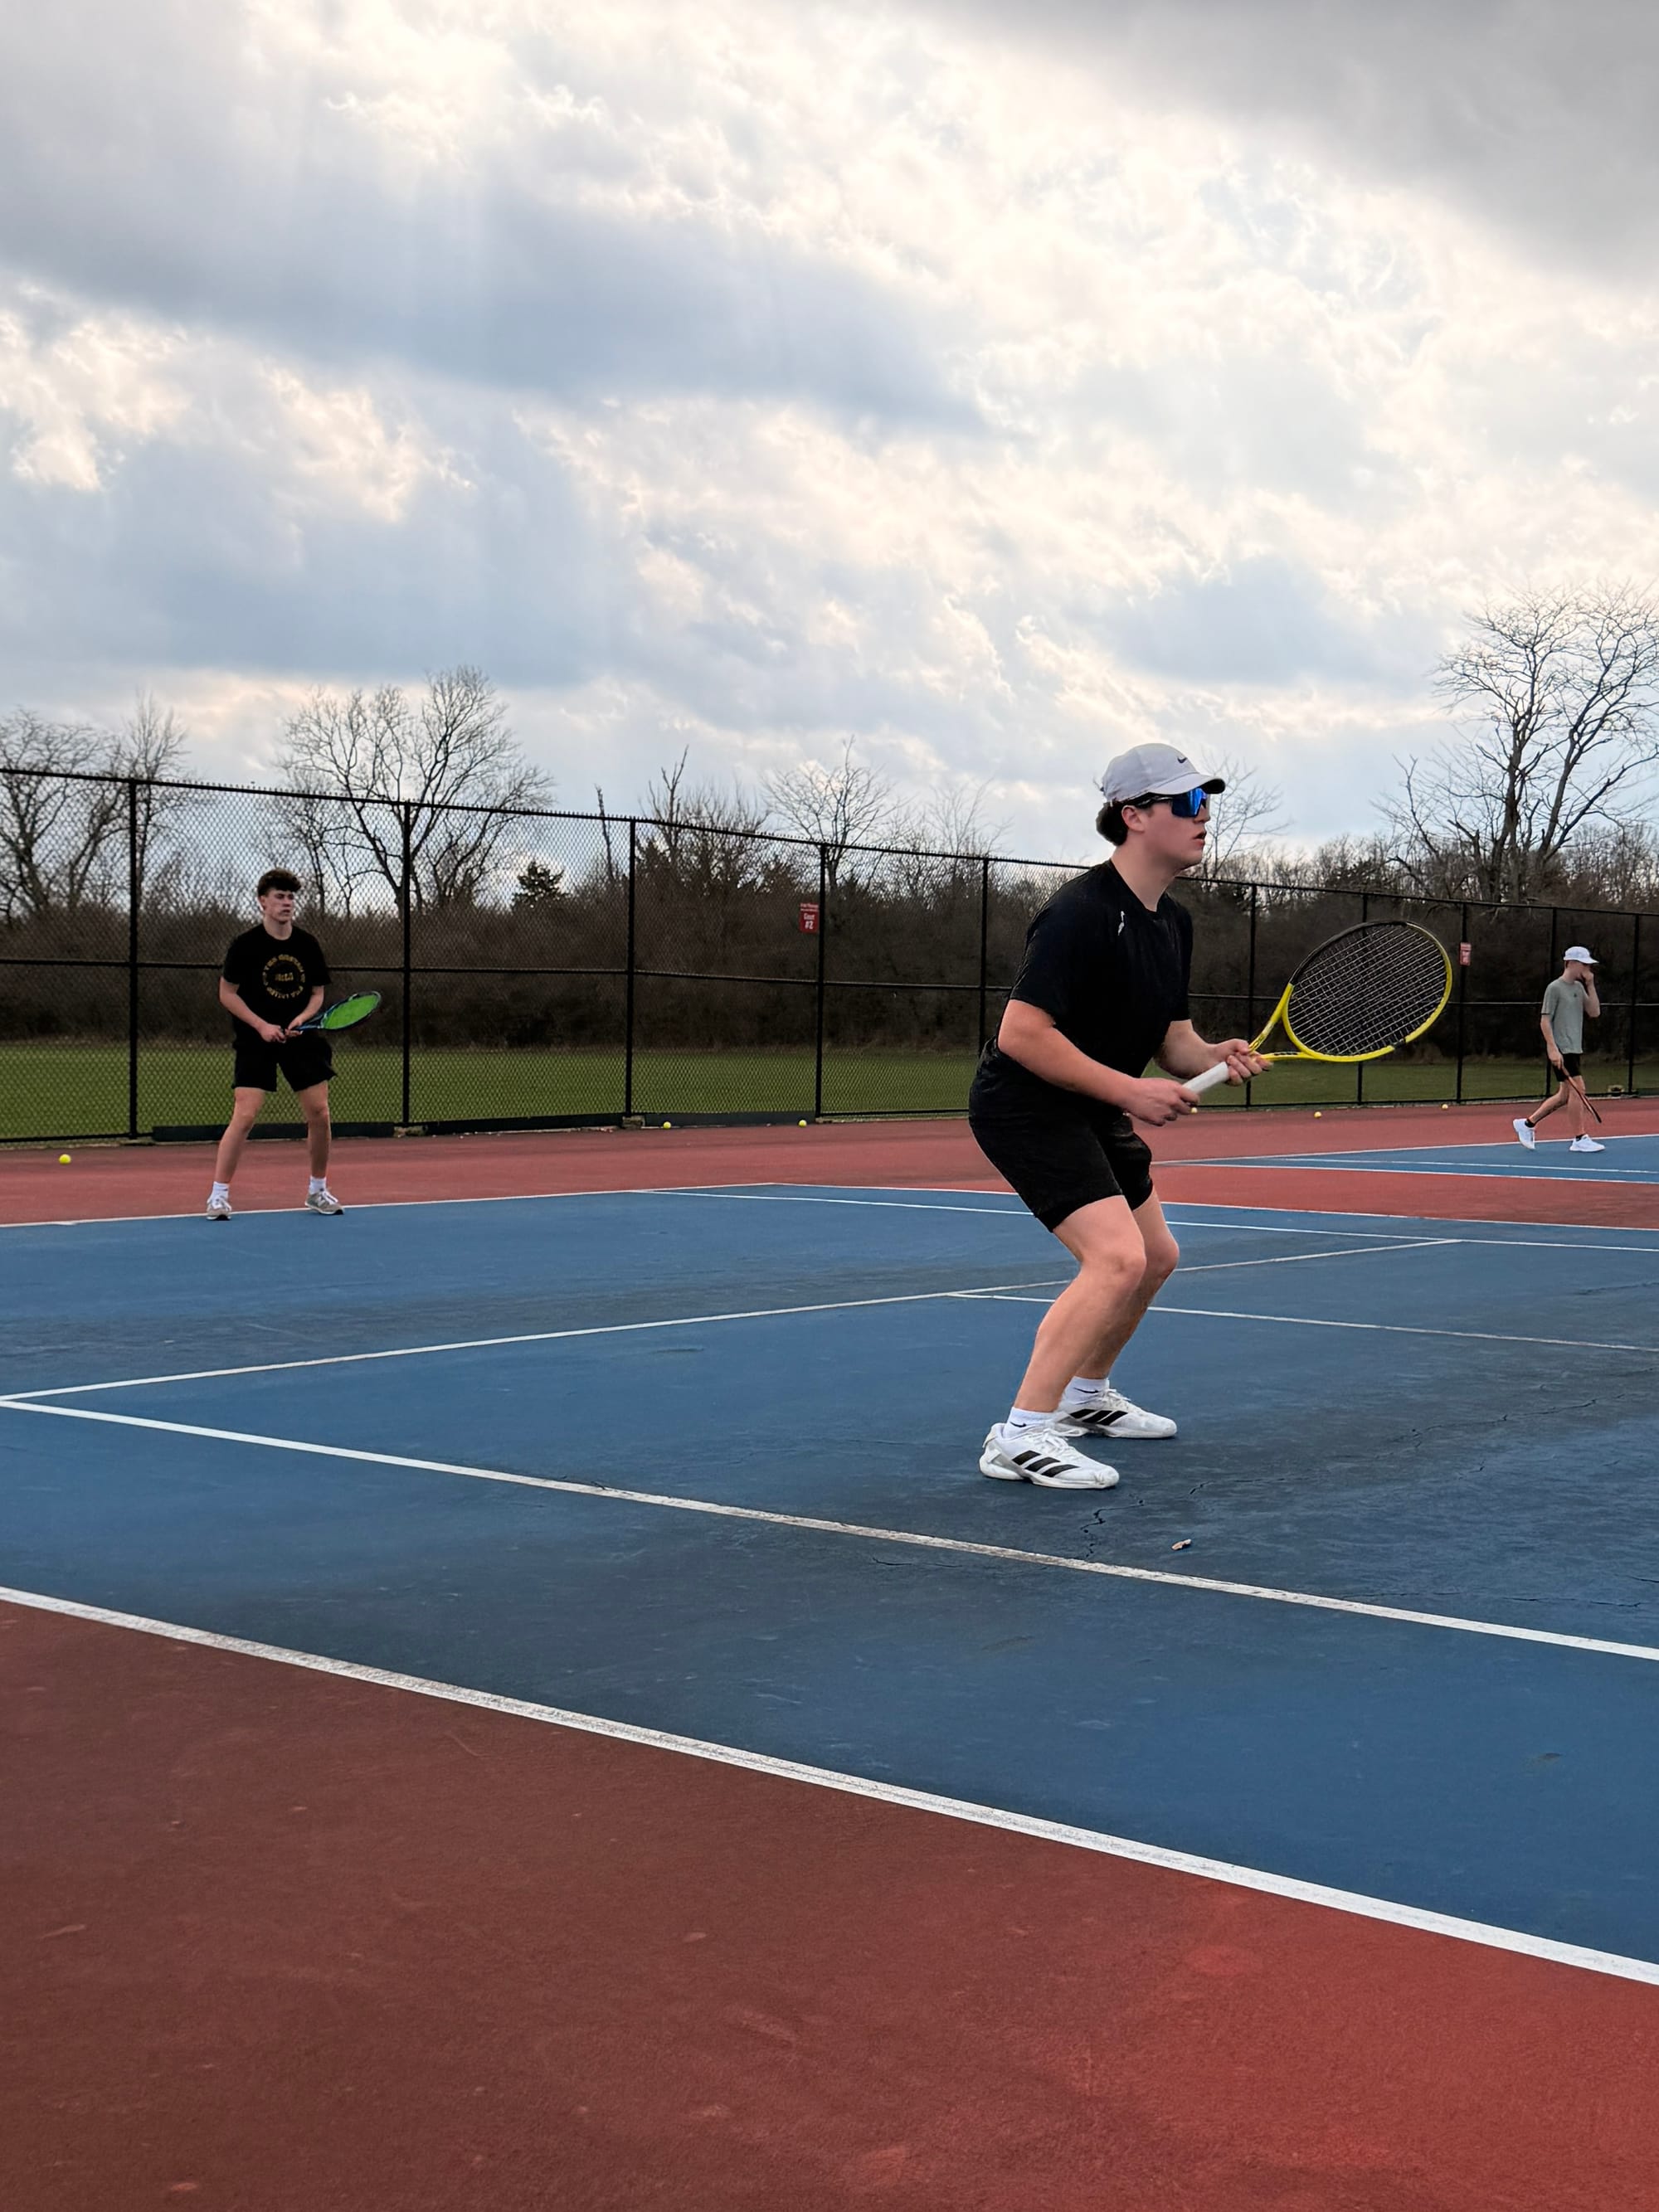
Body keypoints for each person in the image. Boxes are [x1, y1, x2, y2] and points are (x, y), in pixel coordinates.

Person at [967, 744, 1266, 1489]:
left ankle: (1083, 1398)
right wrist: (1130, 1094)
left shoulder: (1173, 923)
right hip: (1027, 1105)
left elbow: (1170, 1040)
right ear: (1133, 817)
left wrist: (1212, 1053)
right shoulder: (1080, 914)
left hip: (1094, 1107)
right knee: (1116, 1258)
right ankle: (1021, 1435)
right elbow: (1022, 1034)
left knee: (1155, 1255)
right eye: (1187, 804)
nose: (1204, 818)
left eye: (1205, 803)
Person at [207, 869, 344, 1219]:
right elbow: (227, 993)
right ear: (262, 902)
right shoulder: (245, 945)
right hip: (257, 1040)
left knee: (320, 1113)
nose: (287, 903)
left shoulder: (307, 945)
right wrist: (260, 1025)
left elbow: (317, 994)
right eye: (280, 897)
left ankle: (318, 1190)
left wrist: (303, 1019)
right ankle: (218, 1196)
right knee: (246, 1113)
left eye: (290, 897)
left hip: (301, 1039)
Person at [1513, 946, 1603, 1155]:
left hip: (1574, 1047)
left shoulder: (1579, 988)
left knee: (1565, 1095)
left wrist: (1590, 984)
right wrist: (1553, 1049)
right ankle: (1580, 1138)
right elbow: (1545, 1021)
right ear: (1571, 963)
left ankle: (1526, 1124)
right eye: (1584, 964)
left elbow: (1595, 1012)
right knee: (1578, 1089)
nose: (1587, 968)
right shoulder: (1554, 988)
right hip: (1561, 1049)